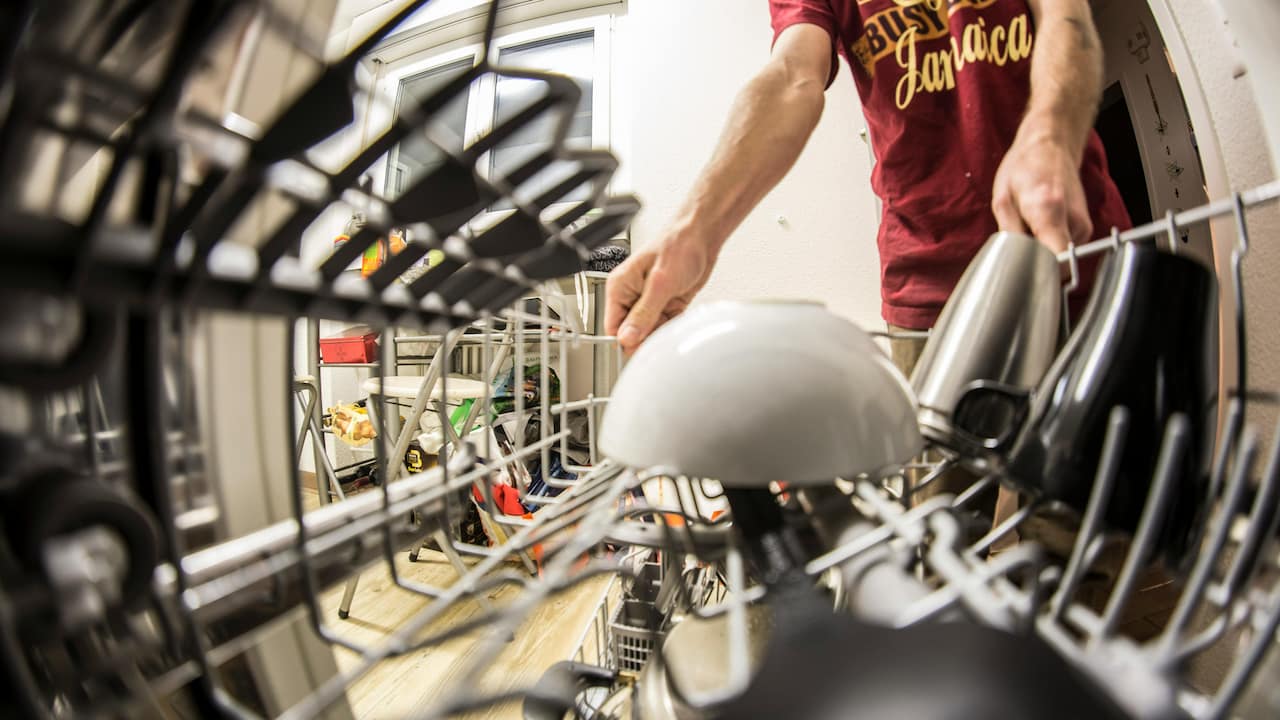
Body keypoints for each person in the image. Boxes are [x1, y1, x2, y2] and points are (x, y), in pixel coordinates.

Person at [604, 0, 1132, 516]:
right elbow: (793, 76)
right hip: (926, 283)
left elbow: (1066, 16)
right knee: (933, 527)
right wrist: (694, 231)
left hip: (1068, 243)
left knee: (1078, 523)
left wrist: (1048, 135)